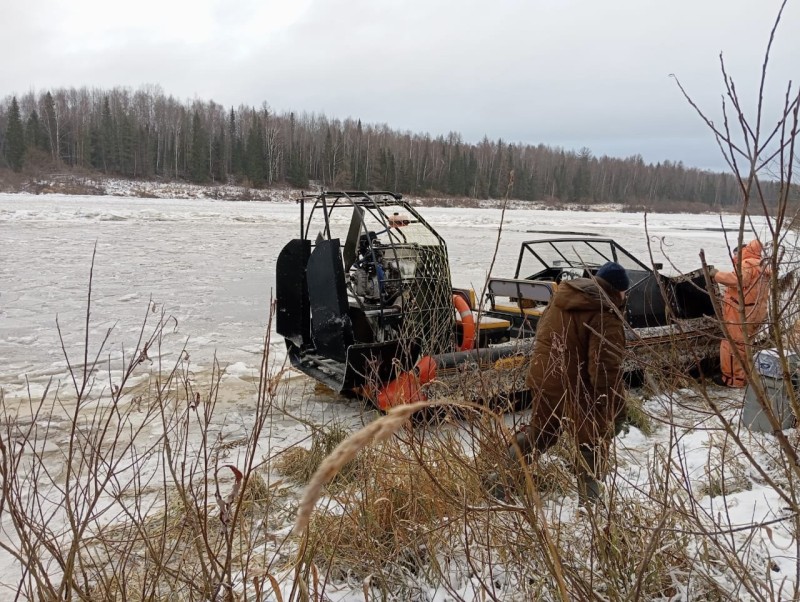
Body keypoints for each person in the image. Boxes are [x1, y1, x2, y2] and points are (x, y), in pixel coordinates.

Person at [504, 261, 629, 505]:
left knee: (543, 432)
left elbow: (543, 334)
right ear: (619, 290)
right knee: (592, 441)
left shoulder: (563, 296)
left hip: (544, 376)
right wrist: (613, 406)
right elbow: (605, 370)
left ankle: (499, 477)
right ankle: (591, 507)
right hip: (574, 385)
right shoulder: (606, 313)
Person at [709, 239, 770, 388]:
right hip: (757, 312)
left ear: (741, 252)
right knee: (745, 345)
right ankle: (744, 376)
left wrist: (715, 274)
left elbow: (736, 280)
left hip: (741, 313)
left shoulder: (747, 264)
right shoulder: (762, 266)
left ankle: (733, 380)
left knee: (733, 346)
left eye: (735, 254)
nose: (734, 257)